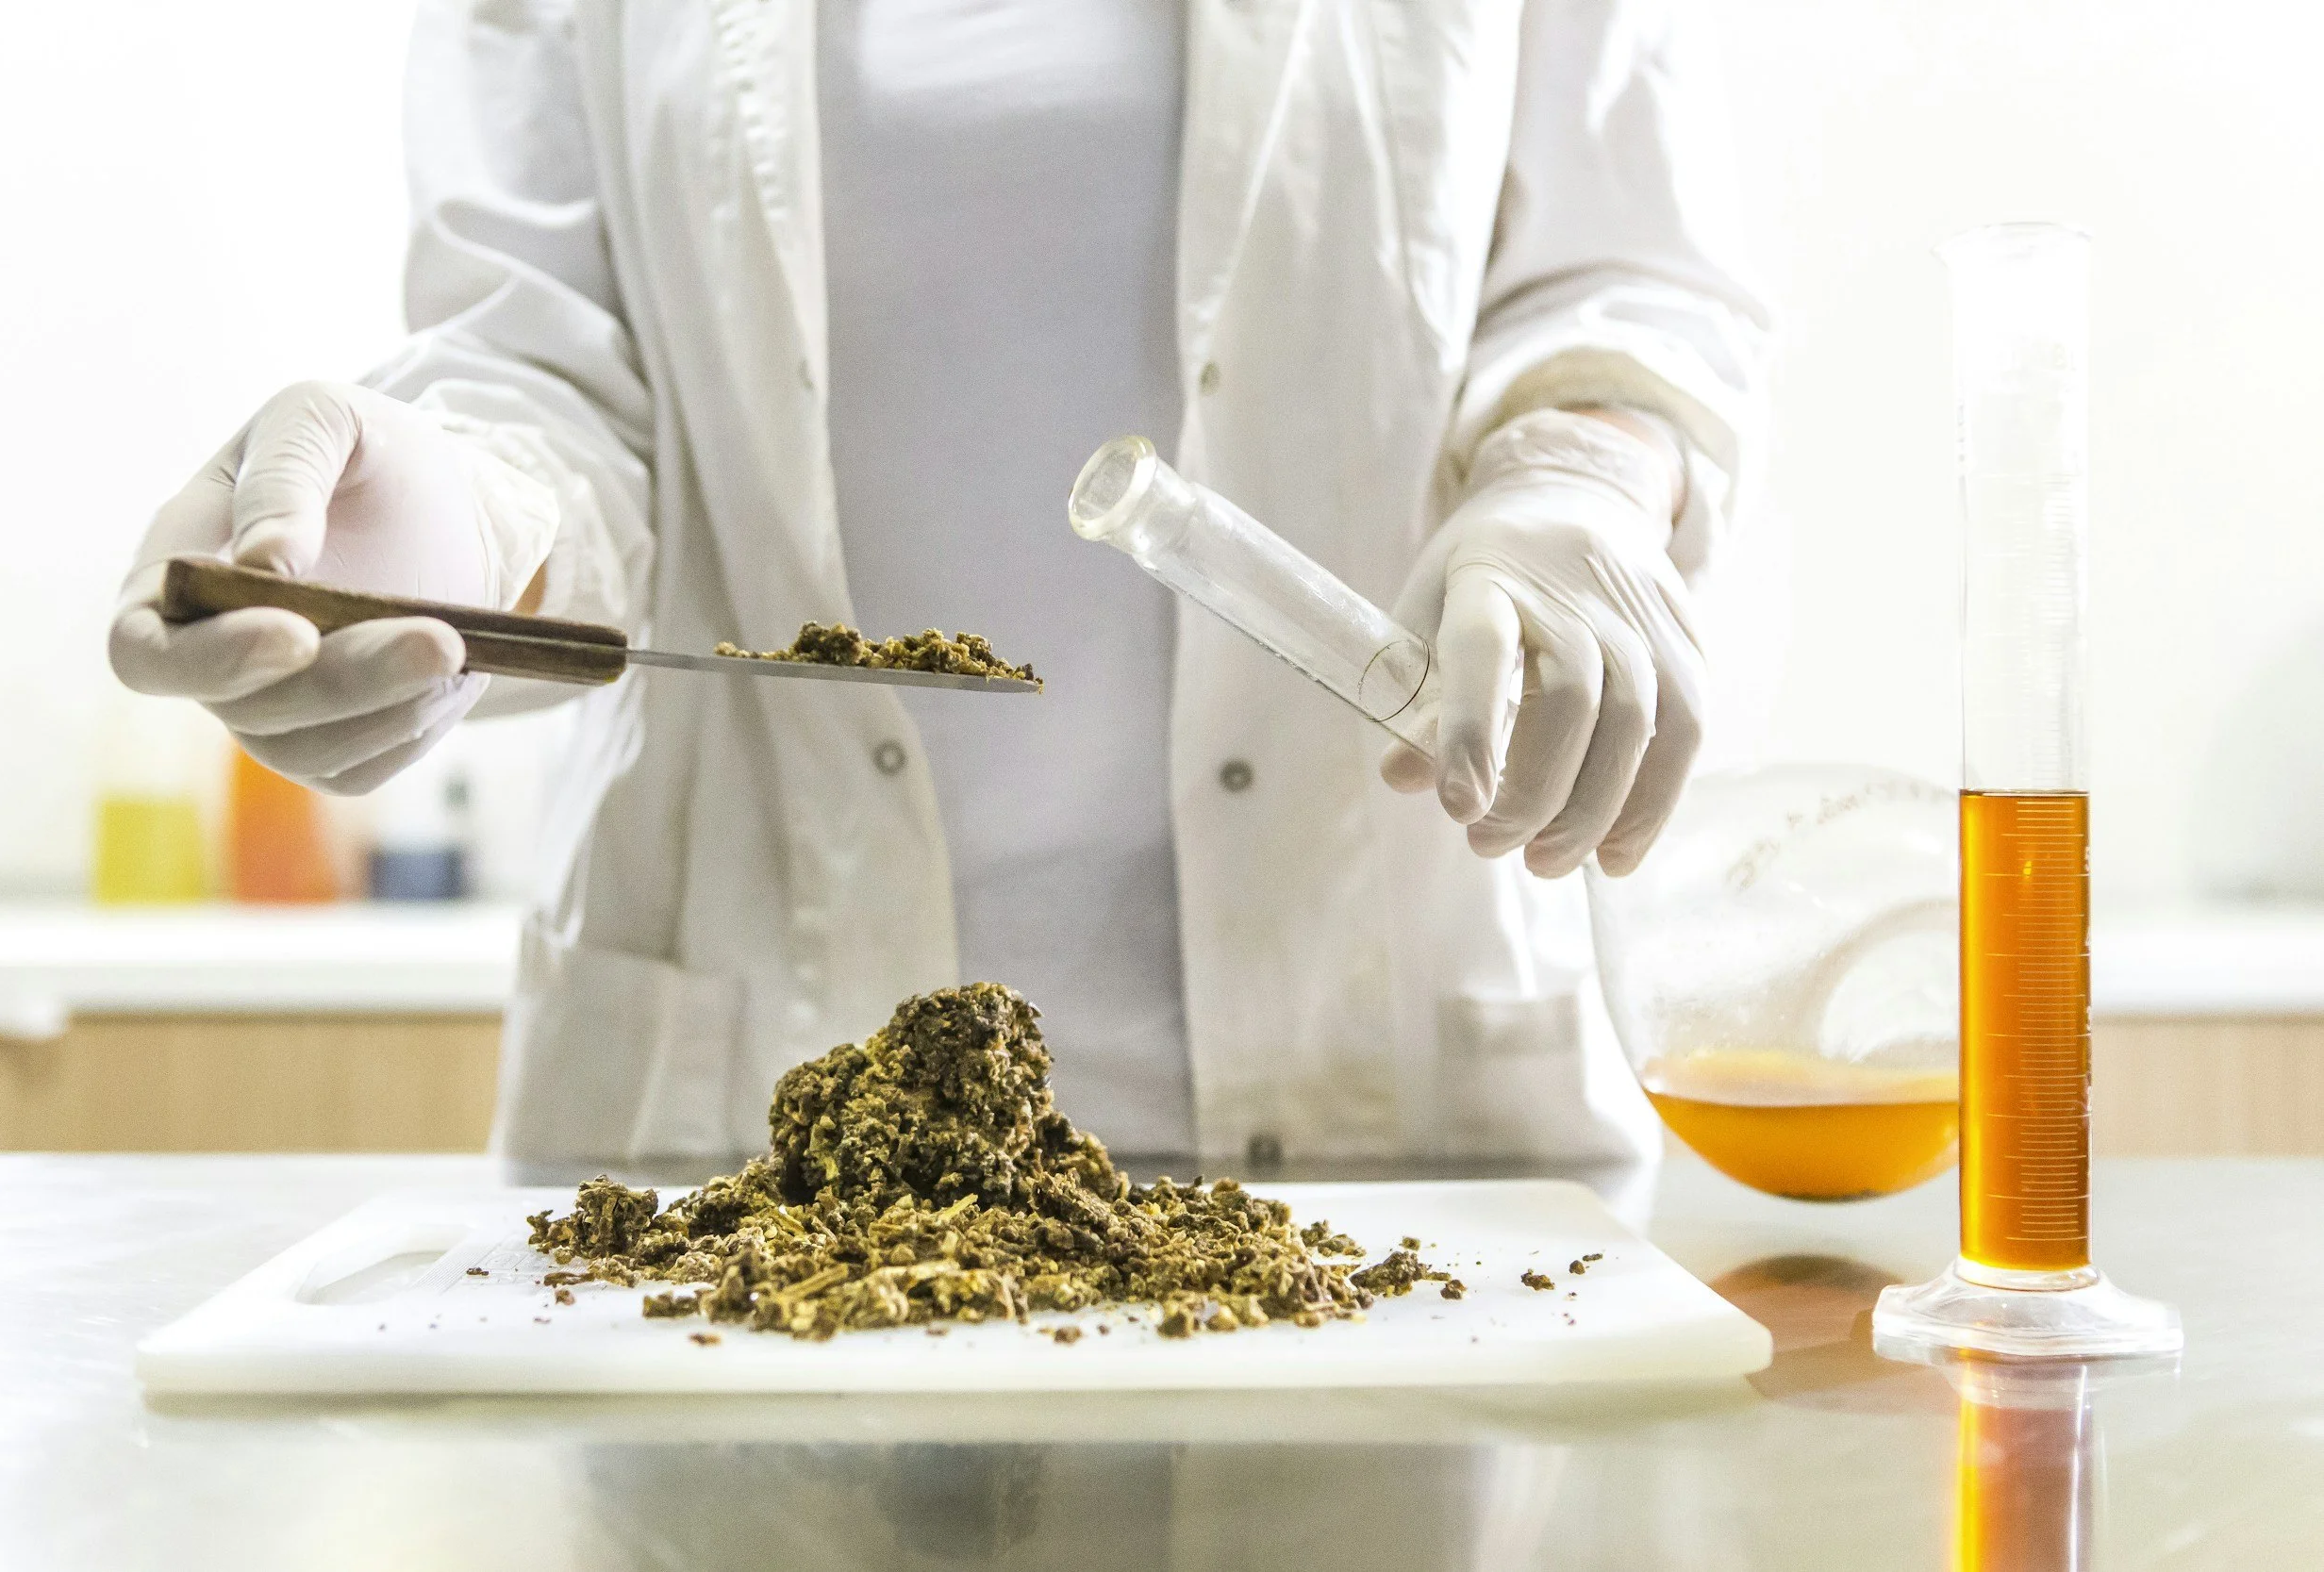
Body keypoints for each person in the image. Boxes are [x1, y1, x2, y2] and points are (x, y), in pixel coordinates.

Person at [109, 0, 1768, 1166]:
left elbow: (1625, 275)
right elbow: (535, 371)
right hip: (753, 1139)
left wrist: (1584, 477)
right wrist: (408, 545)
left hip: (1390, 1123)